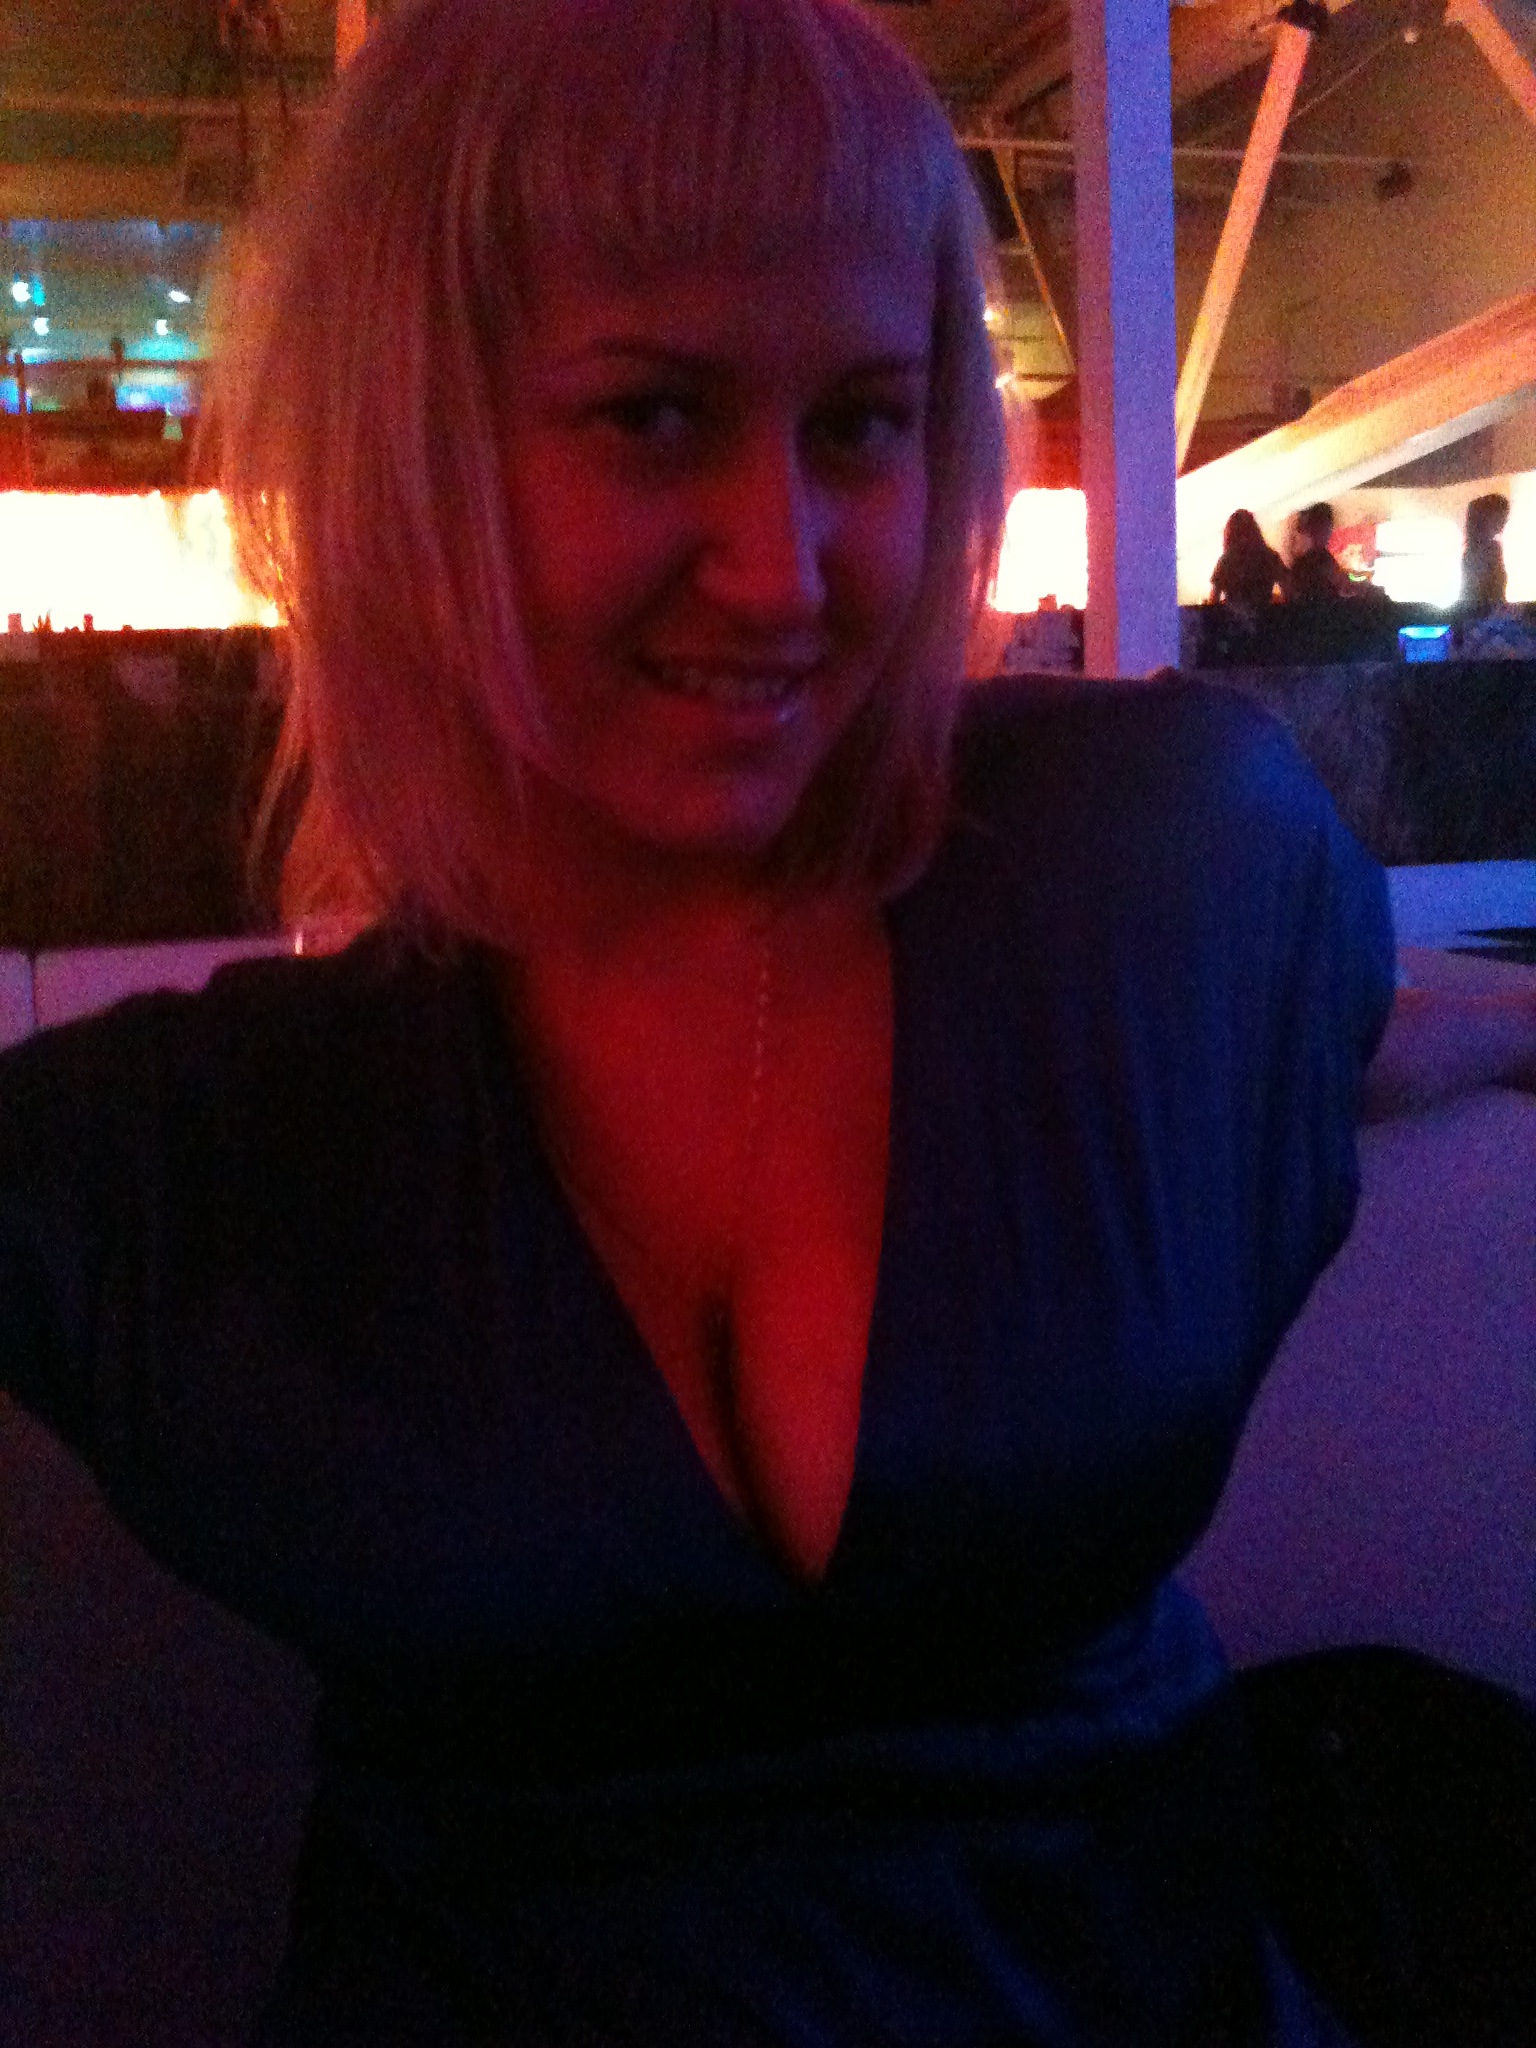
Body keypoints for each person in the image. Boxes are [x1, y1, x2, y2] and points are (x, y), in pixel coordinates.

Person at [1, 3, 1533, 2044]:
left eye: (861, 425)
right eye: (653, 415)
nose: (782, 569)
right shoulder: (208, 1145)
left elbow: (1346, 1036)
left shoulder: (1153, 858)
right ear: (416, 442)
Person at [1209, 508, 1288, 619]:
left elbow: (1213, 602)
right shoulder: (1270, 557)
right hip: (1265, 621)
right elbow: (1287, 593)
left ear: (1230, 534)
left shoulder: (1226, 561)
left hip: (1235, 623)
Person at [1286, 503, 1350, 605]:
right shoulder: (1309, 561)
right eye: (1324, 529)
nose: (1328, 534)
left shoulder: (1323, 558)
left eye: (1329, 528)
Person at [1461, 491, 1510, 613]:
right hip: (1486, 615)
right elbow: (1489, 592)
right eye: (1501, 517)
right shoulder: (1491, 549)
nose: (1505, 522)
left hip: (1477, 614)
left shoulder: (1472, 550)